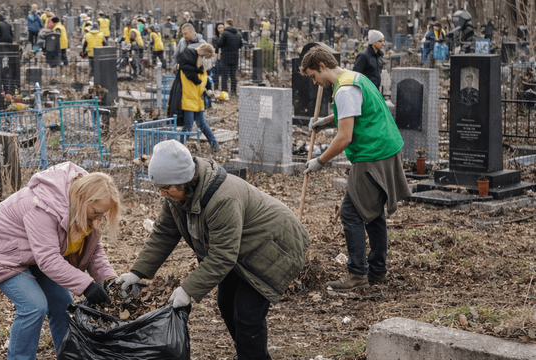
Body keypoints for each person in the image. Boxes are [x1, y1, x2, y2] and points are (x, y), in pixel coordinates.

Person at [116, 140, 310, 360]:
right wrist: (138, 272)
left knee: (247, 315)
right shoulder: (176, 197)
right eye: (159, 188)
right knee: (226, 304)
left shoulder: (221, 198)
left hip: (274, 247)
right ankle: (248, 355)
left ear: (184, 180)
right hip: (242, 249)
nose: (162, 194)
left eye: (165, 188)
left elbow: (223, 256)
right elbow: (164, 233)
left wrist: (187, 290)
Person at [0, 162, 120, 359]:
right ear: (84, 198)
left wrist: (109, 281)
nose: (98, 218)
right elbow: (48, 259)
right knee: (33, 306)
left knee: (63, 304)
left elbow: (93, 250)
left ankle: (68, 356)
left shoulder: (82, 206)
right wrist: (87, 286)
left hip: (32, 252)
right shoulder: (43, 206)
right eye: (97, 212)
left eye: (102, 214)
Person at [301, 46, 411, 292]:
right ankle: (377, 271)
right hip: (387, 148)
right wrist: (325, 121)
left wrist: (320, 161)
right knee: (372, 212)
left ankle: (357, 275)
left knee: (351, 212)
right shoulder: (354, 77)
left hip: (372, 155)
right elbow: (354, 112)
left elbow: (345, 137)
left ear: (322, 67)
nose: (315, 82)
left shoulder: (344, 90)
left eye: (313, 76)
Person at [170, 43, 220, 153]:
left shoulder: (200, 67)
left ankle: (214, 144)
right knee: (188, 126)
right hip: (188, 99)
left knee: (202, 124)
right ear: (202, 54)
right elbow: (193, 77)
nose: (206, 61)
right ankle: (181, 149)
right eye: (206, 57)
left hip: (198, 100)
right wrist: (201, 84)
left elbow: (205, 79)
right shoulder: (187, 64)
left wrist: (209, 89)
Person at [216, 19, 243, 95]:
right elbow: (240, 45)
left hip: (226, 57)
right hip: (235, 57)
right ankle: (233, 91)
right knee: (233, 75)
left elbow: (219, 44)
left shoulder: (225, 33)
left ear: (227, 24)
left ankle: (225, 91)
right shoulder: (238, 33)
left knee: (225, 75)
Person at [211, 22, 224, 90]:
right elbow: (215, 46)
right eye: (219, 28)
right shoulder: (215, 38)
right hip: (217, 57)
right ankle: (215, 88)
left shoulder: (225, 36)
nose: (221, 29)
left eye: (222, 27)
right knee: (216, 74)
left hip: (224, 57)